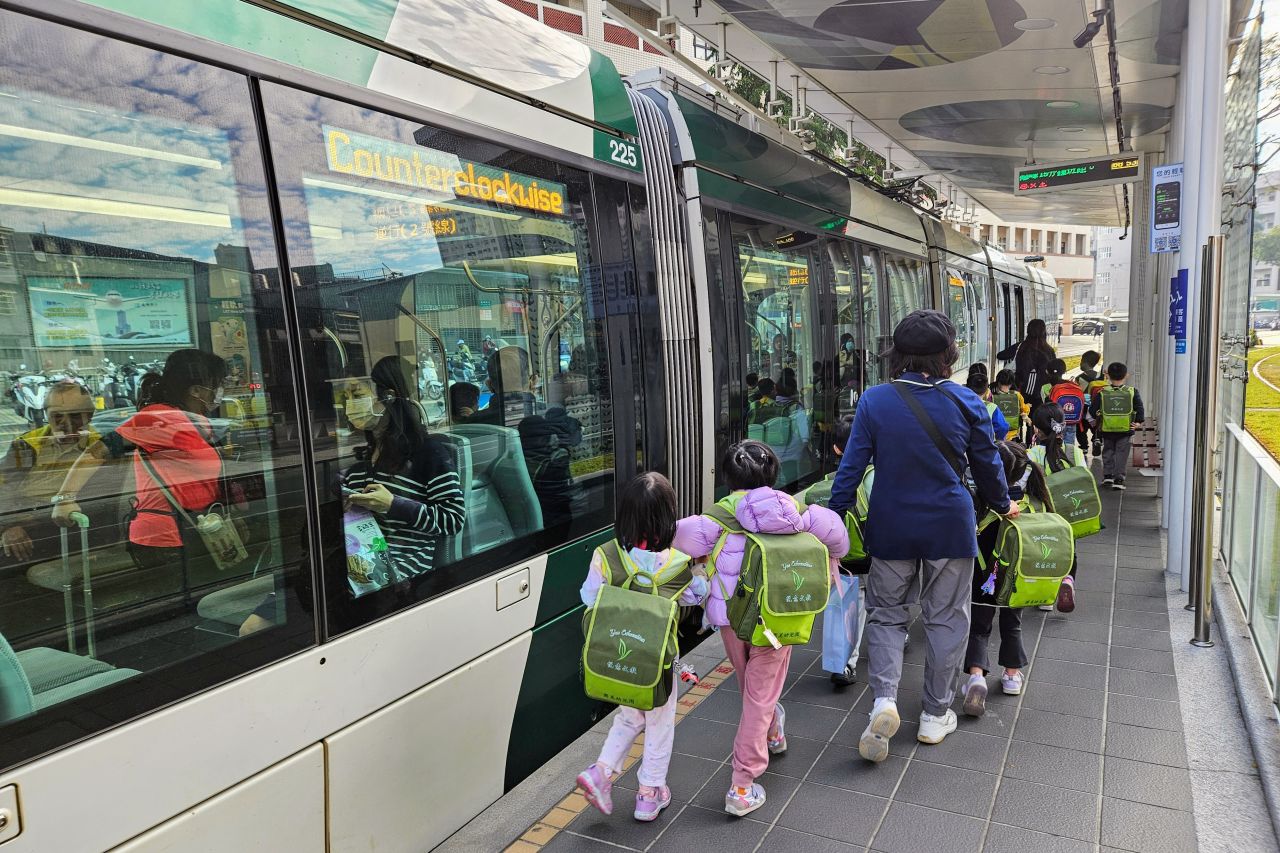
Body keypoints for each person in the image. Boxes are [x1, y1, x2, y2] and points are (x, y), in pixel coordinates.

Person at [827, 309, 1016, 760]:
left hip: (890, 525)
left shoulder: (874, 400)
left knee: (888, 614)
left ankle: (885, 701)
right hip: (950, 526)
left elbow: (849, 470)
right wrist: (1002, 503)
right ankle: (934, 714)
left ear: (899, 355)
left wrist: (834, 520)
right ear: (948, 355)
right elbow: (989, 466)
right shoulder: (967, 401)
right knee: (947, 617)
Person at [673, 441, 848, 817]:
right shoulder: (798, 512)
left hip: (733, 621)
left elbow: (672, 540)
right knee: (759, 696)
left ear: (728, 479)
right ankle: (741, 785)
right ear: (772, 476)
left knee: (752, 692)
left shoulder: (713, 520)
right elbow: (840, 539)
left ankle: (769, 734)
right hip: (778, 618)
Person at [575, 472, 708, 823]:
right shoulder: (677, 564)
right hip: (658, 660)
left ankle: (601, 772)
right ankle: (649, 792)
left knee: (631, 714)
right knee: (660, 721)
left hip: (620, 653)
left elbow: (589, 597)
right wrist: (704, 574)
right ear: (668, 517)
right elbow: (696, 595)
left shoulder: (606, 554)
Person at [51, 350, 236, 574]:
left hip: (196, 528)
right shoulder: (158, 418)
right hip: (165, 539)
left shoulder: (194, 421)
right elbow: (96, 452)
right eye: (215, 385)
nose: (218, 392)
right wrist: (65, 498)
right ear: (196, 390)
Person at [341, 356, 465, 577]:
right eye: (346, 397)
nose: (350, 405)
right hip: (362, 561)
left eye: (357, 395)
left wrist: (393, 504)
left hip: (400, 572)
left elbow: (453, 519)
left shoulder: (428, 452)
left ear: (388, 397)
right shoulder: (361, 462)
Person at [962, 440, 1053, 715]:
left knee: (979, 627)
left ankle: (976, 676)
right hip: (1019, 580)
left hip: (985, 578)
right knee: (1012, 623)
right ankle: (1012, 675)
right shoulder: (1034, 503)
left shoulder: (984, 504)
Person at [1, 382, 100, 566]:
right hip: (20, 524)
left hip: (62, 527)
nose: (67, 424)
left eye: (76, 416)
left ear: (90, 416)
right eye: (57, 416)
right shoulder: (26, 444)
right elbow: (4, 488)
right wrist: (9, 526)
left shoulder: (99, 449)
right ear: (47, 415)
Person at [802, 414, 867, 687]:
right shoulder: (872, 480)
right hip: (868, 556)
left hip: (835, 559)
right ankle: (849, 660)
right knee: (865, 602)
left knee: (842, 601)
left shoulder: (820, 489)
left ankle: (843, 660)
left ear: (836, 449)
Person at [1027, 403, 1086, 613]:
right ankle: (1068, 579)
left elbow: (1025, 484)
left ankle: (1046, 597)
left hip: (1043, 517)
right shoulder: (1074, 452)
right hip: (1069, 515)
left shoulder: (1032, 454)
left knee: (1045, 554)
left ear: (1036, 429)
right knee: (1069, 552)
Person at [1090, 361, 1145, 490]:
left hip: (1107, 429)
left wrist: (1099, 415)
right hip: (1125, 429)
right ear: (1126, 375)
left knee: (1108, 451)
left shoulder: (1102, 392)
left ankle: (1107, 475)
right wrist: (1137, 422)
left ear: (1107, 375)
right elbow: (1140, 408)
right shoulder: (1132, 392)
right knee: (1121, 453)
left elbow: (1093, 411)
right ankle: (1118, 479)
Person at [996, 319, 1056, 425]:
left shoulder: (1020, 347)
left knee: (1018, 416)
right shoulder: (1049, 351)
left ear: (1028, 331)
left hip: (1020, 390)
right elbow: (1053, 370)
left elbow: (1000, 355)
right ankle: (1033, 437)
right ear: (1044, 331)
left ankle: (1018, 437)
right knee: (1036, 422)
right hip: (1040, 394)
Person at [1044, 359, 1086, 446]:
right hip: (1072, 421)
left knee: (1056, 446)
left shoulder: (1046, 387)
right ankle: (1068, 459)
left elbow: (1046, 407)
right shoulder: (1073, 385)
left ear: (1047, 372)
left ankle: (1058, 459)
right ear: (1064, 371)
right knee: (1070, 447)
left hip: (1056, 423)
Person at [965, 371, 1010, 441]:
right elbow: (1002, 427)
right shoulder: (992, 407)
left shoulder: (959, 405)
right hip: (985, 447)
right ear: (986, 391)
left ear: (967, 388)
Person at [1075, 351, 1105, 456]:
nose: (1080, 364)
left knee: (1081, 428)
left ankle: (1083, 446)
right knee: (1096, 426)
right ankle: (1096, 438)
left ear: (1085, 362)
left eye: (1081, 361)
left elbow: (1077, 393)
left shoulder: (1079, 378)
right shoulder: (1100, 376)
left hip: (1084, 408)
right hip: (1097, 408)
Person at [991, 369, 1027, 442]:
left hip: (996, 435)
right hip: (1013, 435)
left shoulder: (991, 396)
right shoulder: (1017, 395)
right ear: (1011, 383)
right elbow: (1024, 410)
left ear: (998, 382)